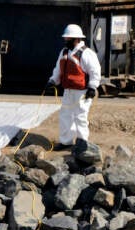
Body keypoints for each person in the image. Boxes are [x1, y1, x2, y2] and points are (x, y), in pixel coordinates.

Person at [46, 24, 102, 152]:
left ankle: (82, 142)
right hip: (68, 90)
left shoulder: (87, 53)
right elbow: (58, 69)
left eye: (69, 38)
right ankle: (66, 142)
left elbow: (95, 71)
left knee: (80, 116)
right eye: (66, 38)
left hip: (82, 91)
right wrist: (53, 80)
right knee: (65, 115)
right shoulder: (64, 52)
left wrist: (92, 87)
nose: (66, 40)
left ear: (77, 39)